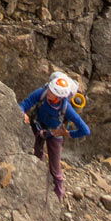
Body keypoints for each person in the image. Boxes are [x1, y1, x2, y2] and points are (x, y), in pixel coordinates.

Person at [19, 72, 90, 202]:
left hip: (54, 133)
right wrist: (23, 113)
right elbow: (24, 103)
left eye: (52, 93)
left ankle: (58, 194)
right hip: (38, 125)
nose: (49, 93)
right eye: (50, 90)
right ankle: (36, 181)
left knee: (55, 167)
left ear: (60, 97)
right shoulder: (42, 93)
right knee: (36, 154)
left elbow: (85, 130)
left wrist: (68, 134)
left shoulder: (66, 108)